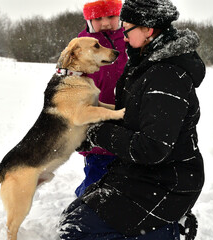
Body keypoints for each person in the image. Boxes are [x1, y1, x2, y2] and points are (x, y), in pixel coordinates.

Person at [59, 0, 206, 239]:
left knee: (76, 232)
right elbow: (130, 116)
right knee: (73, 218)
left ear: (147, 30)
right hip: (142, 170)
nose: (123, 38)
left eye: (126, 30)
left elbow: (152, 147)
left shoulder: (167, 76)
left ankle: (166, 228)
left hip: (167, 180)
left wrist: (96, 132)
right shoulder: (144, 62)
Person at [75, 0, 128, 197]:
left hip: (125, 116)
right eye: (98, 18)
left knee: (125, 172)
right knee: (96, 177)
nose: (105, 23)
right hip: (95, 118)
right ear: (89, 19)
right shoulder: (82, 44)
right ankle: (86, 198)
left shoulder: (130, 40)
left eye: (111, 16)